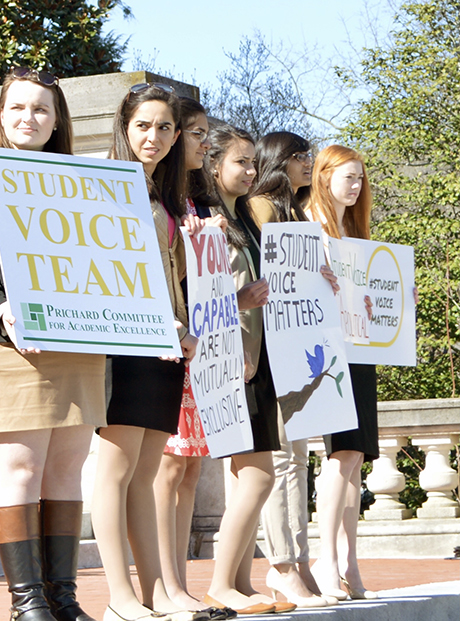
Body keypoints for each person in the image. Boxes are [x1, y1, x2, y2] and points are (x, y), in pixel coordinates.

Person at [0, 66, 101, 621]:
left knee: (67, 468)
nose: (28, 118)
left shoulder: (83, 184)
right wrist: (4, 309)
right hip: (12, 342)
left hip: (78, 338)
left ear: (57, 119)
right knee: (21, 467)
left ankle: (63, 598)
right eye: (17, 107)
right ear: (1, 113)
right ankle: (27, 602)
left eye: (40, 109)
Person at [92, 83, 194, 621]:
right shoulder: (103, 185)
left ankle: (155, 591)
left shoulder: (161, 193)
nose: (152, 136)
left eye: (163, 127)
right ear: (124, 126)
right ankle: (119, 595)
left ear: (175, 135)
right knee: (116, 467)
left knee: (146, 471)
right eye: (142, 126)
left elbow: (167, 273)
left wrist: (182, 326)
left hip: (166, 345)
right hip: (122, 340)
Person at [197, 124, 284, 614]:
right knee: (257, 475)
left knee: (255, 474)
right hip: (229, 361)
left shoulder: (246, 217)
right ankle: (219, 583)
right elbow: (200, 300)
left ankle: (242, 581)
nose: (252, 171)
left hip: (258, 357)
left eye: (254, 162)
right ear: (214, 164)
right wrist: (239, 301)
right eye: (241, 162)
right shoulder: (206, 221)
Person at [246, 132, 330, 607]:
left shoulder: (296, 213)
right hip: (270, 349)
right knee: (281, 460)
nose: (307, 163)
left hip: (296, 347)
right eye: (299, 156)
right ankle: (282, 564)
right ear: (278, 160)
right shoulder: (260, 207)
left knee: (297, 459)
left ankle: (298, 560)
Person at [150, 99, 222, 618]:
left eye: (199, 133)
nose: (200, 143)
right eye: (193, 132)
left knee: (190, 470)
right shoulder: (157, 198)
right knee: (168, 469)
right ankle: (165, 583)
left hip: (198, 345)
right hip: (163, 342)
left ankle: (180, 582)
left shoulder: (195, 201)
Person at [309, 145, 378, 602]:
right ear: (325, 175)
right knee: (342, 455)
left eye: (360, 179)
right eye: (347, 177)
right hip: (327, 352)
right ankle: (325, 557)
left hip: (360, 347)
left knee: (354, 459)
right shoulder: (310, 225)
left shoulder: (353, 229)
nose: (354, 186)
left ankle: (348, 559)